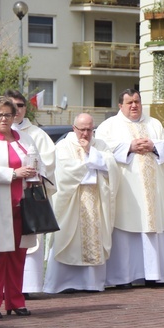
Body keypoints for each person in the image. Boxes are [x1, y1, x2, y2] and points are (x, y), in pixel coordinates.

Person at [96, 89, 164, 288]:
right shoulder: (109, 126)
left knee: (152, 228)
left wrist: (154, 145)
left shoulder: (153, 123)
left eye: (137, 102)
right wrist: (129, 146)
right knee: (125, 230)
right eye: (129, 102)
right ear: (120, 106)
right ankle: (123, 277)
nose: (134, 106)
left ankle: (155, 274)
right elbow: (102, 151)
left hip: (153, 190)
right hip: (127, 190)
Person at [43, 114, 120, 293]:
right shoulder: (63, 146)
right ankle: (61, 283)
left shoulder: (100, 145)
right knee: (66, 239)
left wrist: (90, 154)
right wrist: (91, 165)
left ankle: (91, 283)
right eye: (82, 129)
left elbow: (111, 166)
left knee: (94, 238)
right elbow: (63, 172)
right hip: (72, 203)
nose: (85, 134)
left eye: (89, 130)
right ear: (74, 128)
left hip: (95, 202)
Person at [5, 89, 55, 296]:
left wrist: (35, 170)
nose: (16, 111)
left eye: (20, 106)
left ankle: (24, 290)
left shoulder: (34, 135)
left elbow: (49, 162)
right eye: (11, 107)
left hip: (26, 199)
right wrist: (13, 173)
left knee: (24, 246)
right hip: (4, 198)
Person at [0, 96, 41, 317]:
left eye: (7, 114)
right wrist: (14, 174)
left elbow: (37, 160)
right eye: (0, 115)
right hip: (0, 206)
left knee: (18, 254)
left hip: (22, 204)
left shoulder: (24, 138)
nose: (4, 119)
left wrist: (35, 171)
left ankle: (16, 301)